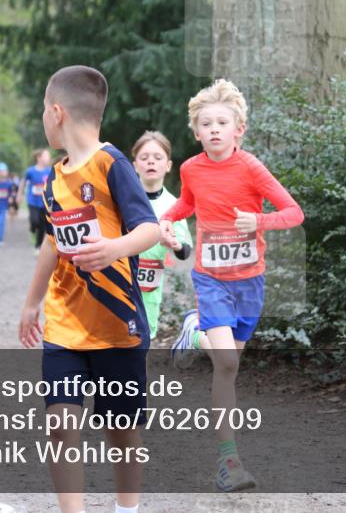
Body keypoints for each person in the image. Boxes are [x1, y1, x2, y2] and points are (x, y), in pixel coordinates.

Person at [18, 65, 159, 513]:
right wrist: (31, 303)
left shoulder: (112, 164)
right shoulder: (54, 178)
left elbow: (149, 230)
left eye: (44, 109)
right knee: (60, 425)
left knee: (121, 428)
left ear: (57, 112)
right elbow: (51, 241)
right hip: (65, 323)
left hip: (117, 324)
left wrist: (113, 248)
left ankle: (127, 508)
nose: (43, 117)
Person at [160, 79, 304, 492]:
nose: (215, 129)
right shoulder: (190, 168)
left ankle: (193, 331)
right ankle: (228, 461)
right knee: (226, 364)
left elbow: (294, 213)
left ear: (238, 128)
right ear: (197, 131)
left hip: (249, 282)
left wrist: (258, 221)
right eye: (207, 123)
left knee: (229, 364)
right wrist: (168, 221)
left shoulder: (252, 168)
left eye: (223, 122)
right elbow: (188, 202)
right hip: (210, 278)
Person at [131, 131, 193, 339]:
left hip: (148, 293)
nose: (151, 162)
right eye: (144, 157)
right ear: (134, 165)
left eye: (158, 158)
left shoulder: (175, 206)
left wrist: (175, 245)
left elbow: (185, 253)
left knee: (139, 348)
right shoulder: (120, 200)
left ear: (168, 165)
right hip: (116, 285)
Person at [19, 148, 54, 254]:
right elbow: (23, 182)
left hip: (45, 202)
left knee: (43, 224)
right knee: (35, 221)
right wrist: (19, 194)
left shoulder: (50, 170)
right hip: (33, 201)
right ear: (39, 158)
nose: (48, 158)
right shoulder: (30, 171)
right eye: (46, 155)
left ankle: (38, 246)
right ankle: (32, 229)